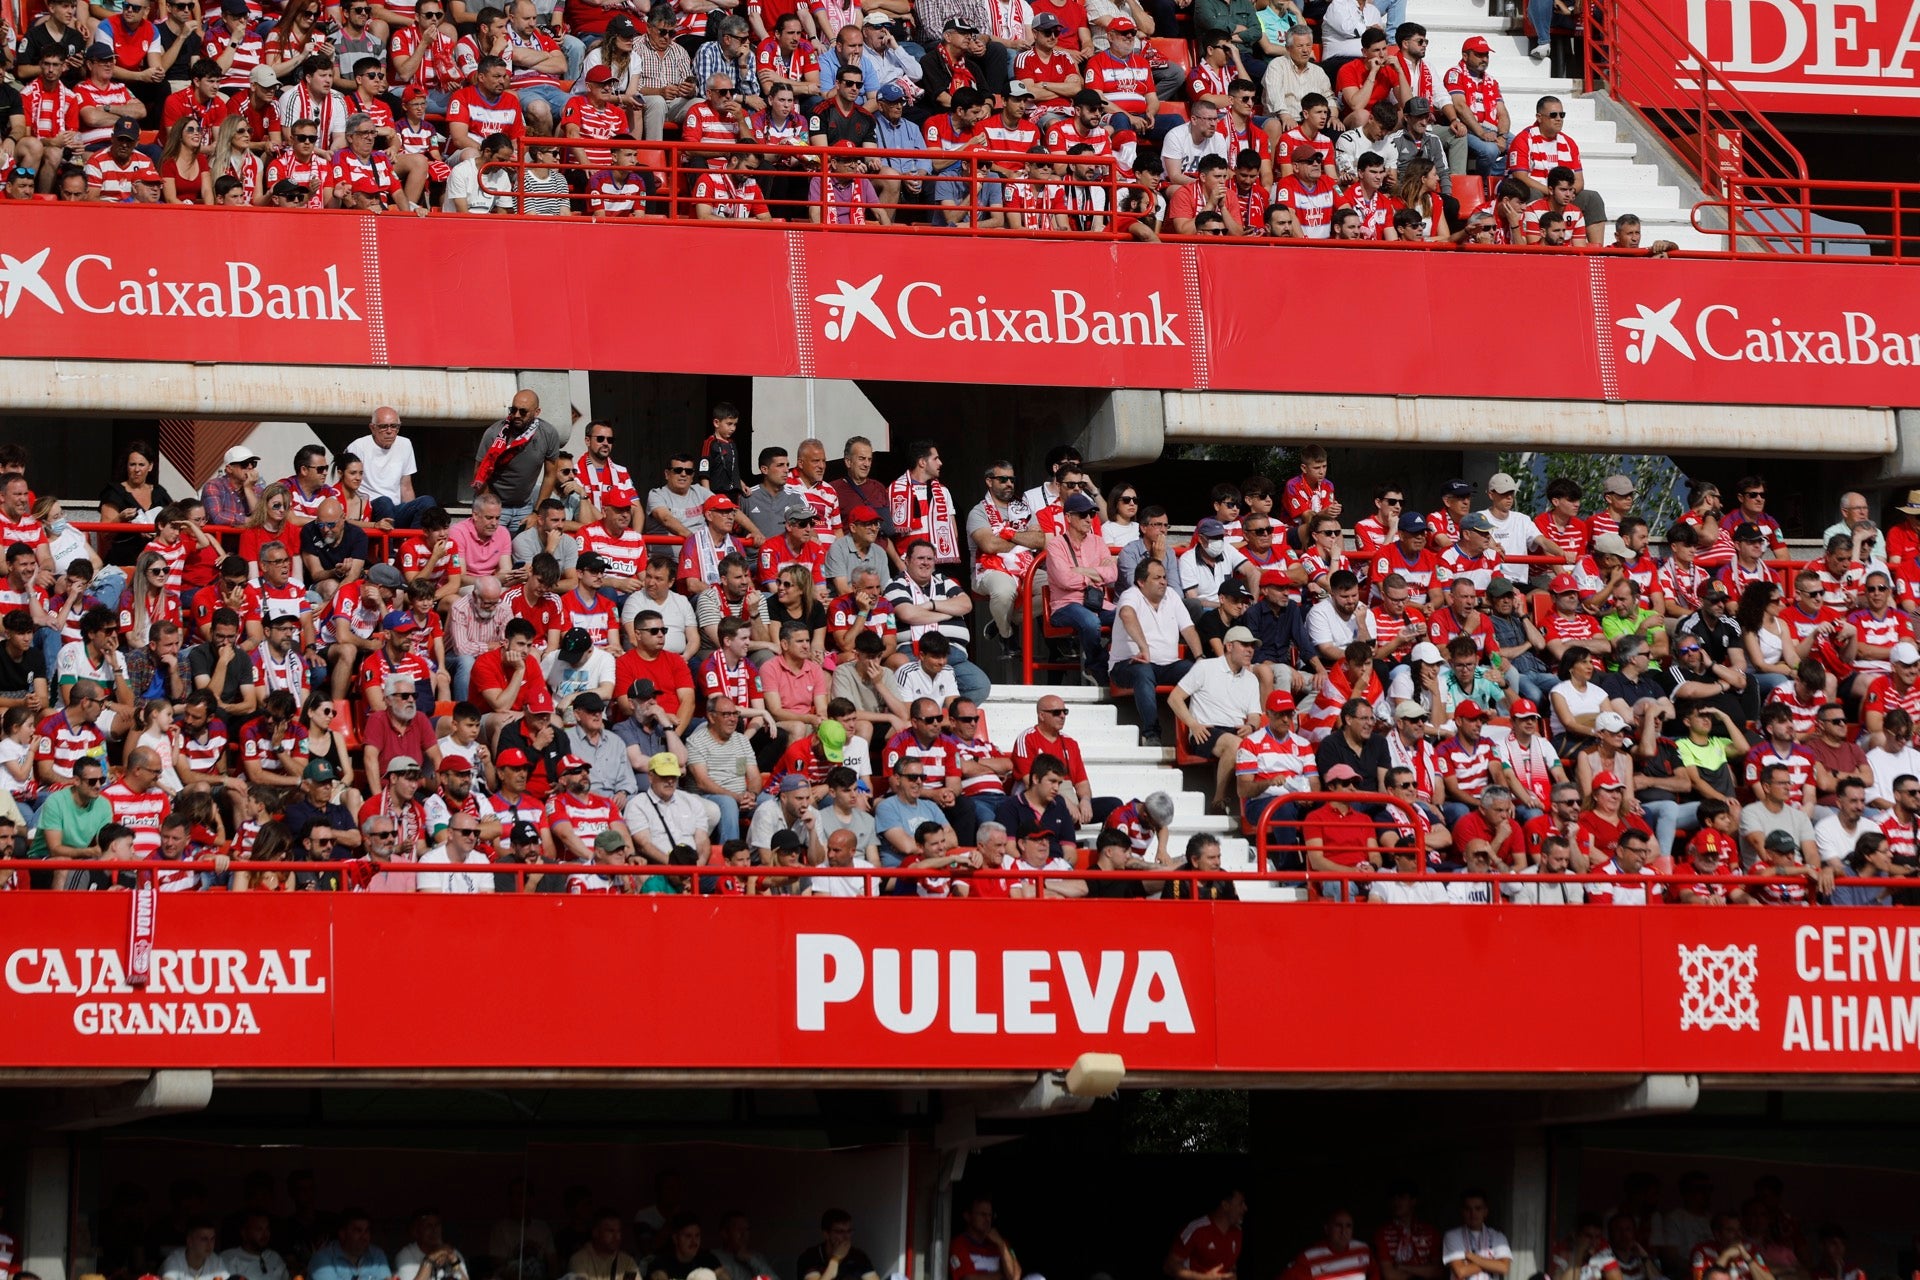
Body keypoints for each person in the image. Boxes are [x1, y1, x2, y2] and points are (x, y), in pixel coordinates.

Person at [798, 1211, 881, 1280]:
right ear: (826, 1234)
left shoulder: (858, 1256)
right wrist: (835, 1259)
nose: (846, 1236)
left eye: (849, 1231)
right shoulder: (810, 1256)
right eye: (840, 1232)